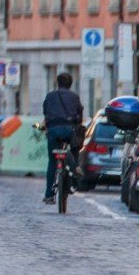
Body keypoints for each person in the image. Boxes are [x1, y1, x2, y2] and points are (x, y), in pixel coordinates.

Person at [41, 72, 84, 205]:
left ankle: (49, 195)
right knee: (75, 146)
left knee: (52, 163)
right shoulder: (74, 97)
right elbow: (79, 116)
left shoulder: (50, 96)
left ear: (57, 83)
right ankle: (75, 165)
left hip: (53, 130)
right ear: (70, 84)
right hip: (69, 130)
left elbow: (45, 112)